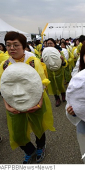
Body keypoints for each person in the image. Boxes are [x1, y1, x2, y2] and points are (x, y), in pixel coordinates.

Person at [0, 31, 55, 164]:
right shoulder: (5, 65)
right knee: (17, 133)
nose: (11, 48)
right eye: (8, 45)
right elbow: (3, 87)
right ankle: (30, 151)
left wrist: (39, 103)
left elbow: (42, 84)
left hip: (36, 101)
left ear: (24, 46)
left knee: (38, 127)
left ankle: (41, 147)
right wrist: (7, 105)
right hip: (14, 102)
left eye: (15, 45)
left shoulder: (32, 62)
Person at [46, 38, 68, 107]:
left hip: (59, 72)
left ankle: (63, 95)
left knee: (60, 85)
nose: (49, 45)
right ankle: (57, 99)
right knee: (53, 86)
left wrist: (63, 60)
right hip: (50, 73)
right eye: (48, 43)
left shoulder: (59, 52)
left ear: (54, 44)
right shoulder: (45, 52)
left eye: (51, 43)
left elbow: (65, 64)